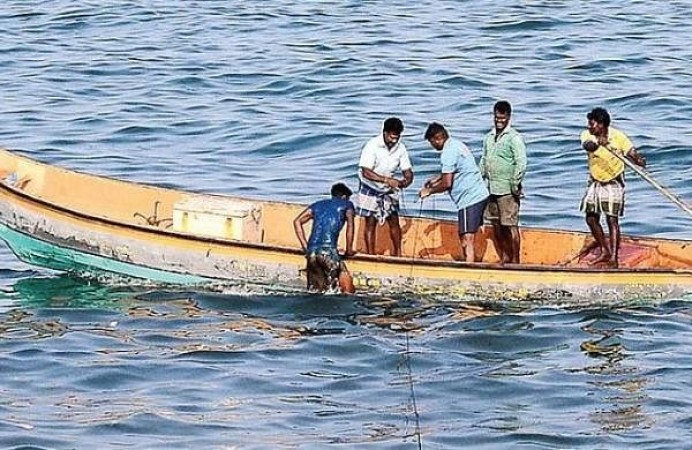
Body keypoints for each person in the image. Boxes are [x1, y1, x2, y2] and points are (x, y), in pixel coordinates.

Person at [579, 107, 646, 268]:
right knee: (590, 217)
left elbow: (631, 151)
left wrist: (638, 160)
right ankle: (604, 249)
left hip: (613, 181)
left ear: (601, 124)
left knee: (611, 219)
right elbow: (588, 145)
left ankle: (614, 258)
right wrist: (597, 143)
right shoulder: (588, 135)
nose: (590, 126)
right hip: (595, 181)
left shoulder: (618, 137)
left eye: (592, 124)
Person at [419, 123, 489, 262]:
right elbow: (455, 169)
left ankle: (469, 268)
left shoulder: (447, 152)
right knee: (464, 234)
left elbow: (447, 184)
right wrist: (437, 178)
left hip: (469, 198)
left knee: (467, 237)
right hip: (481, 193)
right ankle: (470, 262)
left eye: (431, 142)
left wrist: (429, 191)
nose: (432, 146)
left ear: (437, 139)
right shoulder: (456, 144)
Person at [356, 117, 414, 256]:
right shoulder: (372, 145)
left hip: (388, 189)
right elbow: (366, 172)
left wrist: (407, 180)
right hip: (370, 186)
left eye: (397, 137)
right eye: (391, 137)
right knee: (370, 222)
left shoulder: (401, 148)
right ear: (385, 132)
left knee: (394, 220)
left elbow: (408, 171)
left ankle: (398, 254)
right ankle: (370, 255)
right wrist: (387, 180)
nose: (394, 141)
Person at [479, 100, 527, 264]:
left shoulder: (514, 138)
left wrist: (515, 184)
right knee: (496, 225)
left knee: (510, 225)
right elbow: (484, 160)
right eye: (496, 117)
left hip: (507, 190)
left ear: (508, 117)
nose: (499, 121)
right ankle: (505, 255)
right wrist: (480, 179)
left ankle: (515, 260)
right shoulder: (489, 137)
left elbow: (521, 162)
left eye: (502, 118)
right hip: (491, 188)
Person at [293, 183, 356, 293]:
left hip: (312, 253)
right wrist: (349, 250)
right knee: (347, 291)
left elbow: (297, 221)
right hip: (328, 252)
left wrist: (305, 246)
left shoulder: (317, 205)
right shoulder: (347, 205)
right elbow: (350, 227)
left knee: (316, 291)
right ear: (344, 197)